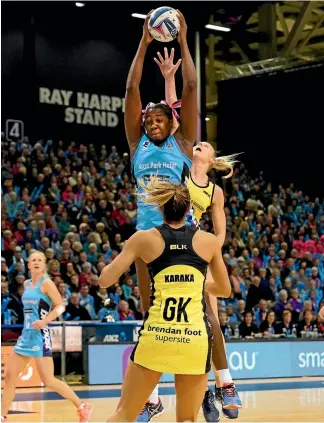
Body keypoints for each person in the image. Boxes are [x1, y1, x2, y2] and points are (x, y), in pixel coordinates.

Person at [154, 49, 242, 421]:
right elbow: (175, 111)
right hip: (172, 247)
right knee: (171, 321)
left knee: (210, 321)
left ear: (211, 156)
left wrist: (210, 256)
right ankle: (201, 390)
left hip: (197, 252)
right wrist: (170, 76)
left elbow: (220, 235)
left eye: (204, 146)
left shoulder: (215, 193)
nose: (198, 144)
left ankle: (225, 385)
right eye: (196, 144)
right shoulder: (183, 164)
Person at [98, 178, 231, 422]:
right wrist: (196, 282)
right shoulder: (208, 241)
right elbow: (224, 289)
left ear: (160, 208)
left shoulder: (143, 239)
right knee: (187, 419)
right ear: (189, 208)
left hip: (157, 336)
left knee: (124, 414)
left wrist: (131, 254)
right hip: (194, 339)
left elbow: (104, 281)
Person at [125, 9, 197, 420]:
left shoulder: (182, 142)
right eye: (147, 118)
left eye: (159, 118)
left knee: (192, 320)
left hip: (181, 238)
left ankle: (212, 384)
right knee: (152, 320)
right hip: (145, 239)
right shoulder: (137, 145)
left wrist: (183, 36)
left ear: (172, 123)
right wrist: (144, 41)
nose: (152, 121)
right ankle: (151, 398)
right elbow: (132, 84)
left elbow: (188, 83)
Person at [1, 252, 92, 423]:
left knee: (48, 380)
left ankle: (81, 406)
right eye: (33, 260)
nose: (36, 262)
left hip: (40, 336)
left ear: (43, 265)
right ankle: (2, 416)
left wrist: (45, 321)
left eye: (39, 261)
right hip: (26, 335)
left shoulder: (47, 283)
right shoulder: (27, 284)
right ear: (28, 265)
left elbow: (60, 306)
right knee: (10, 377)